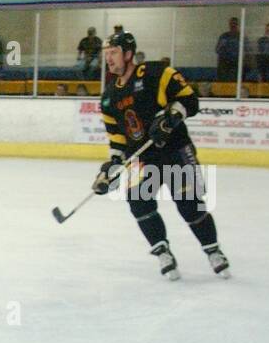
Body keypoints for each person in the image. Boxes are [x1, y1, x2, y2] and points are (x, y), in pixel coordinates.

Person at [95, 31, 229, 279]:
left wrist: (171, 116)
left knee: (190, 205)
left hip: (175, 150)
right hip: (142, 159)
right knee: (137, 201)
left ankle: (213, 251)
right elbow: (118, 141)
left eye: (113, 53)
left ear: (128, 54)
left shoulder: (157, 73)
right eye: (106, 55)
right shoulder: (108, 98)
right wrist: (111, 168)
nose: (109, 60)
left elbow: (190, 100)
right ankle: (162, 252)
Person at [215, 16, 241, 81]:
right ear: (229, 25)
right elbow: (217, 50)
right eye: (231, 24)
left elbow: (246, 51)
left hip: (235, 64)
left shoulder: (241, 37)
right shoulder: (224, 36)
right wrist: (222, 45)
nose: (233, 26)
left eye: (235, 24)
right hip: (224, 65)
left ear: (238, 25)